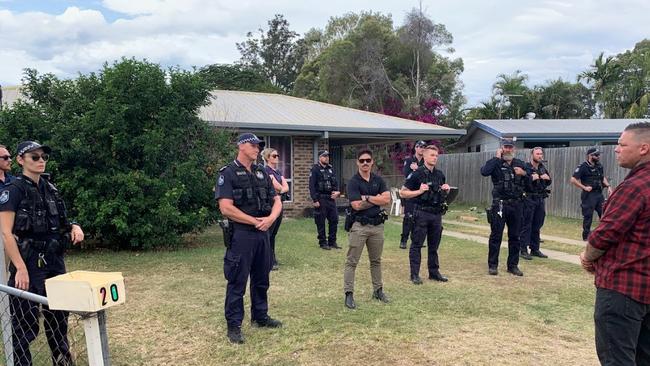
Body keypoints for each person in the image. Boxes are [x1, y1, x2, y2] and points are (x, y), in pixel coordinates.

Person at [0, 141, 85, 365]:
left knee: (58, 317)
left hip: (54, 261)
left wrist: (75, 226)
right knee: (24, 323)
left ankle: (62, 361)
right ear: (20, 160)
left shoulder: (51, 188)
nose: (40, 161)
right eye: (34, 157)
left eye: (43, 157)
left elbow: (64, 221)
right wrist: (20, 268)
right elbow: (7, 234)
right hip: (28, 262)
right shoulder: (13, 190)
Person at [579, 122, 650, 365]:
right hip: (645, 290)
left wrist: (588, 257)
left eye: (622, 144)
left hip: (623, 288)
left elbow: (606, 233)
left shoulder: (635, 187)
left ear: (643, 148)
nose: (616, 150)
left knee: (617, 359)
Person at [216, 133, 283, 344]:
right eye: (254, 145)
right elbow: (226, 208)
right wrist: (254, 221)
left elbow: (277, 200)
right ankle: (234, 325)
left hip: (263, 232)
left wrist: (271, 218)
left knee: (262, 278)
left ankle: (260, 316)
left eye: (259, 146)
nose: (257, 149)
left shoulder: (262, 172)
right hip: (242, 235)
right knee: (237, 280)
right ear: (241, 146)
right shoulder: (228, 173)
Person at [343, 150, 391, 309]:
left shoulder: (378, 180)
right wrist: (377, 199)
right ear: (357, 162)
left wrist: (368, 198)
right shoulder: (353, 182)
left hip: (377, 226)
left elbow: (387, 199)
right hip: (359, 226)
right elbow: (356, 205)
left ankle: (378, 291)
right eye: (361, 160)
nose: (365, 163)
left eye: (368, 160)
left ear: (372, 162)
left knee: (376, 261)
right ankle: (349, 294)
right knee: (352, 261)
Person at [400, 145, 451, 284]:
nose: (434, 158)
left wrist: (446, 190)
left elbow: (440, 194)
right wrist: (419, 192)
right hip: (421, 213)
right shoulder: (417, 174)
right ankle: (414, 274)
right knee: (417, 244)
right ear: (425, 156)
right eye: (432, 155)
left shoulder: (439, 174)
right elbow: (402, 192)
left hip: (436, 214)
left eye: (436, 156)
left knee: (434, 246)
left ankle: (434, 273)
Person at [480, 138, 528, 276]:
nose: (508, 150)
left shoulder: (520, 164)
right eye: (505, 147)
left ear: (514, 149)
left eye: (510, 147)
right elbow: (484, 172)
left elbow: (531, 178)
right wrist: (496, 157)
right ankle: (493, 265)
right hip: (500, 204)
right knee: (496, 235)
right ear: (501, 148)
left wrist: (523, 173)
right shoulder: (495, 163)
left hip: (516, 204)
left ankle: (513, 266)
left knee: (515, 237)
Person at [570, 147, 613, 241]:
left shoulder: (599, 166)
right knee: (588, 216)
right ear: (590, 156)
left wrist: (609, 186)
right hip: (589, 195)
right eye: (596, 155)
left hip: (599, 194)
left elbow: (602, 177)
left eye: (599, 155)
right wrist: (584, 187)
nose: (598, 157)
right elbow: (573, 179)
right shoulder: (583, 166)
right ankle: (586, 236)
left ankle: (603, 234)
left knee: (604, 214)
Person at [520, 147, 551, 260]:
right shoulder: (526, 167)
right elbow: (522, 181)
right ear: (532, 155)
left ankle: (535, 249)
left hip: (540, 198)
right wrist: (531, 178)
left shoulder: (542, 168)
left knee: (537, 224)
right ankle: (523, 249)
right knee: (526, 224)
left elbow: (548, 180)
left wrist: (545, 178)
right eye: (537, 154)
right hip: (529, 198)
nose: (540, 156)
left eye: (541, 154)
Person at [262, 148, 289, 270]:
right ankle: (267, 260)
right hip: (271, 205)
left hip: (280, 204)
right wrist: (281, 189)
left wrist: (282, 189)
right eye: (274, 156)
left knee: (273, 234)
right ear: (268, 157)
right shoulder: (266, 171)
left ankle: (272, 258)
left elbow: (286, 187)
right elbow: (277, 187)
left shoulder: (277, 172)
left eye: (277, 155)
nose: (277, 157)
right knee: (269, 233)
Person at [309, 150, 341, 250]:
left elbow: (335, 183)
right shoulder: (315, 169)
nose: (326, 158)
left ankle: (332, 241)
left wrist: (337, 192)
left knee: (334, 220)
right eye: (324, 156)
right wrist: (315, 200)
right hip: (321, 198)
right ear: (319, 157)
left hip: (331, 199)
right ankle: (323, 242)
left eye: (327, 156)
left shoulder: (330, 169)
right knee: (320, 221)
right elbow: (312, 186)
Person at [399, 140, 426, 249]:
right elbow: (406, 174)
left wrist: (417, 169)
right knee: (408, 217)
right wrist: (415, 171)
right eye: (420, 146)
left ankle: (417, 240)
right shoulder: (409, 160)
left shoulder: (425, 161)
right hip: (410, 192)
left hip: (422, 193)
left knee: (420, 218)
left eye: (424, 146)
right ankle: (403, 240)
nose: (422, 148)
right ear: (415, 148)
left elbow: (426, 175)